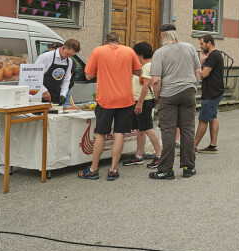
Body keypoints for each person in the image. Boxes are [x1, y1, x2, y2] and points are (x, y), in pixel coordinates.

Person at [79, 32, 141, 181]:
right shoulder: (129, 51)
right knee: (119, 133)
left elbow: (87, 76)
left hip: (105, 99)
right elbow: (138, 71)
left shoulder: (98, 51)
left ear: (105, 41)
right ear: (119, 42)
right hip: (126, 99)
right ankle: (113, 170)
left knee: (101, 133)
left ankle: (94, 169)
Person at [149, 24, 201, 180]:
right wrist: (193, 86)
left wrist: (158, 97)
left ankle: (165, 169)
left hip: (168, 95)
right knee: (187, 130)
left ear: (163, 35)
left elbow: (156, 80)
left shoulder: (160, 52)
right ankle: (188, 167)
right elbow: (198, 71)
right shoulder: (189, 48)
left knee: (169, 131)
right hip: (188, 93)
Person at [123, 42, 163, 168]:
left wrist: (139, 103)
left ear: (140, 55)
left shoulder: (147, 67)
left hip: (143, 101)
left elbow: (146, 86)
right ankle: (139, 155)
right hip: (138, 101)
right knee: (140, 129)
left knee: (148, 128)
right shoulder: (145, 66)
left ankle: (159, 155)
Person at [194, 35, 224, 154]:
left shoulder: (213, 55)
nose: (200, 47)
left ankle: (193, 146)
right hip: (216, 91)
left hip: (212, 93)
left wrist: (201, 62)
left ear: (209, 43)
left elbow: (204, 74)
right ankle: (213, 145)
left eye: (202, 44)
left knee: (203, 119)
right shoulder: (216, 55)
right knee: (213, 117)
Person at [34, 38, 80, 105]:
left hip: (56, 96)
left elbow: (66, 80)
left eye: (72, 55)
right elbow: (34, 76)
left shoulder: (69, 61)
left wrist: (63, 94)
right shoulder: (46, 57)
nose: (69, 57)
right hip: (40, 96)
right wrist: (43, 91)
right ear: (63, 48)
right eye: (68, 54)